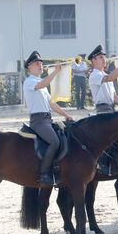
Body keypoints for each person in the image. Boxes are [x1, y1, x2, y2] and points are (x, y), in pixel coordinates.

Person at [23, 50, 73, 188]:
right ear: (29, 67)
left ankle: (57, 168)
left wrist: (66, 115)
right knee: (54, 142)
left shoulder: (41, 83)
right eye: (37, 63)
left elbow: (52, 104)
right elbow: (41, 85)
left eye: (41, 63)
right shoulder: (30, 81)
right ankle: (44, 174)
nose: (40, 66)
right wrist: (56, 72)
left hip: (47, 119)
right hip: (38, 121)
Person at [88, 44, 118, 114]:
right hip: (102, 110)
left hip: (111, 108)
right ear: (94, 60)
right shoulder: (94, 75)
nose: (104, 59)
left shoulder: (104, 75)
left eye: (104, 57)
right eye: (100, 57)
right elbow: (111, 78)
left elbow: (114, 98)